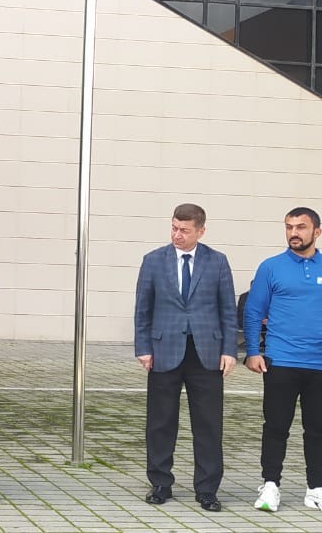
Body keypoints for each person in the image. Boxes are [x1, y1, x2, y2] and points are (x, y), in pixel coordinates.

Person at [243, 206, 322, 516]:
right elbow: (253, 311)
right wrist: (253, 352)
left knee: (319, 429)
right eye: (289, 227)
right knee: (276, 426)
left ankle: (316, 489)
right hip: (281, 361)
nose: (294, 232)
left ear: (317, 232)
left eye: (301, 227)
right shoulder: (271, 267)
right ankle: (270, 484)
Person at [133, 204, 238, 512]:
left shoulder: (217, 261)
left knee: (208, 424)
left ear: (201, 231)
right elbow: (143, 308)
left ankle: (207, 489)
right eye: (174, 228)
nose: (177, 235)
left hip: (206, 353)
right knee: (160, 422)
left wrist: (229, 350)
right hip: (163, 351)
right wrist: (143, 347)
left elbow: (227, 310)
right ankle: (160, 483)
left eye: (184, 230)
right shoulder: (153, 260)